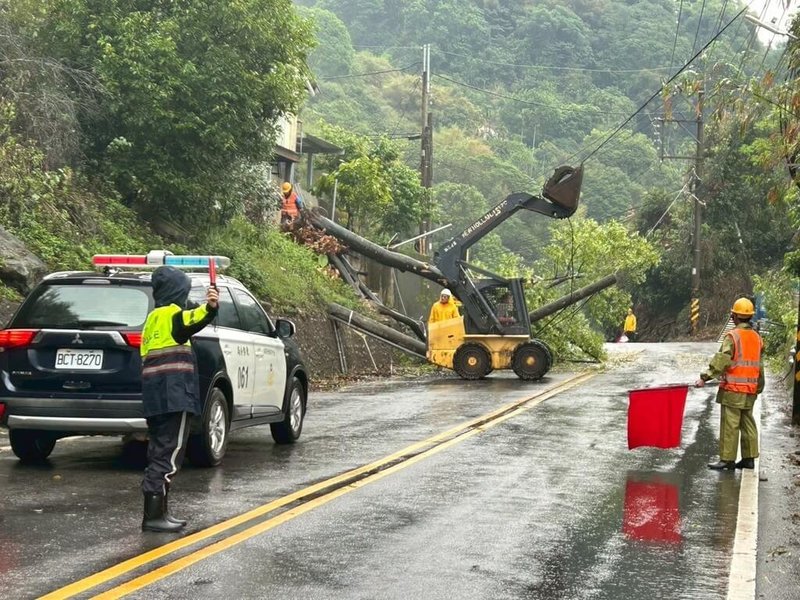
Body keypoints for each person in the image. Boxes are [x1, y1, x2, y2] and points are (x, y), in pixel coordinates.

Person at [140, 266, 219, 532]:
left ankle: (157, 513)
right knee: (170, 454)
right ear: (177, 291)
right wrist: (210, 307)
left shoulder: (151, 320)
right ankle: (154, 517)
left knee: (158, 452)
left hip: (155, 397)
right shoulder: (172, 315)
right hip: (175, 396)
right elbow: (193, 319)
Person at [695, 297, 764, 471]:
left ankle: (727, 459)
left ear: (734, 316)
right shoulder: (757, 337)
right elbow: (759, 365)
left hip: (734, 389)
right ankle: (749, 458)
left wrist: (705, 377)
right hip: (751, 389)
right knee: (748, 422)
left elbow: (722, 361)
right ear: (749, 317)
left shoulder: (732, 336)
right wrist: (759, 386)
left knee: (730, 424)